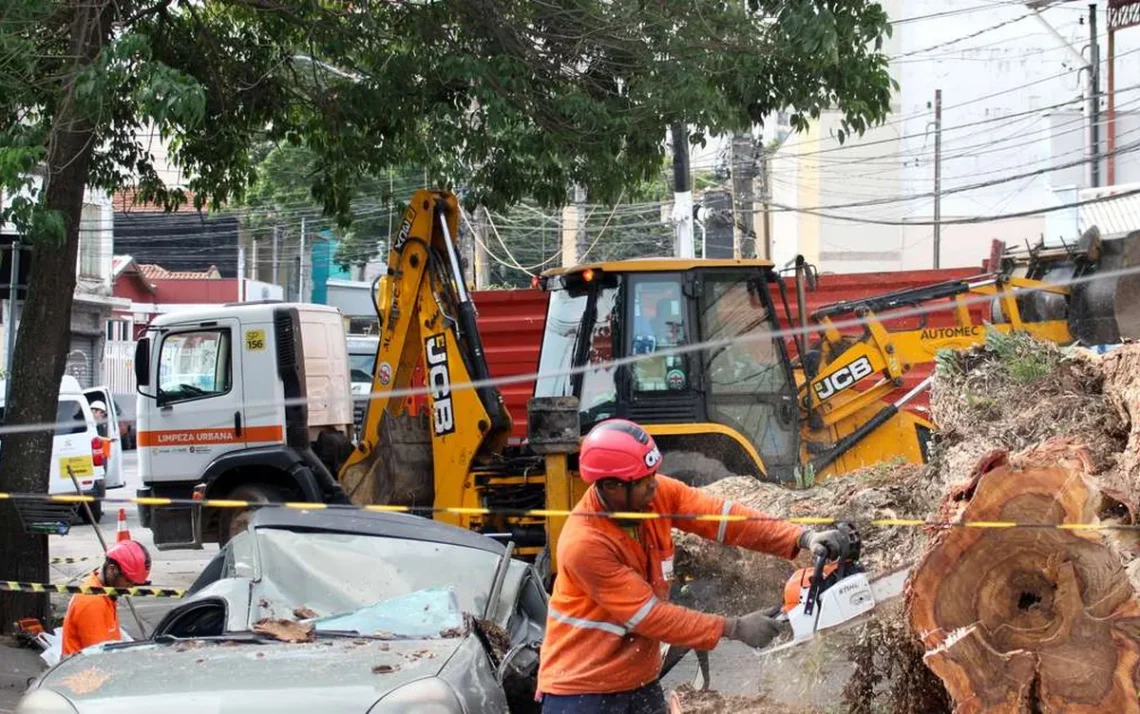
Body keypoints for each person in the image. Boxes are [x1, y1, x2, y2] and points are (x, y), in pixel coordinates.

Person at [536, 419, 851, 714]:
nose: (654, 486)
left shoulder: (653, 495)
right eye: (644, 481)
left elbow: (724, 519)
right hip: (581, 692)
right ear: (612, 487)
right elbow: (650, 617)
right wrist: (735, 628)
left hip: (638, 681)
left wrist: (801, 537)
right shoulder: (585, 544)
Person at [61, 540, 151, 657]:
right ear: (112, 569)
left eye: (134, 583)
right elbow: (100, 657)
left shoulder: (105, 593)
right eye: (128, 580)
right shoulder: (93, 603)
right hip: (85, 671)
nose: (130, 587)